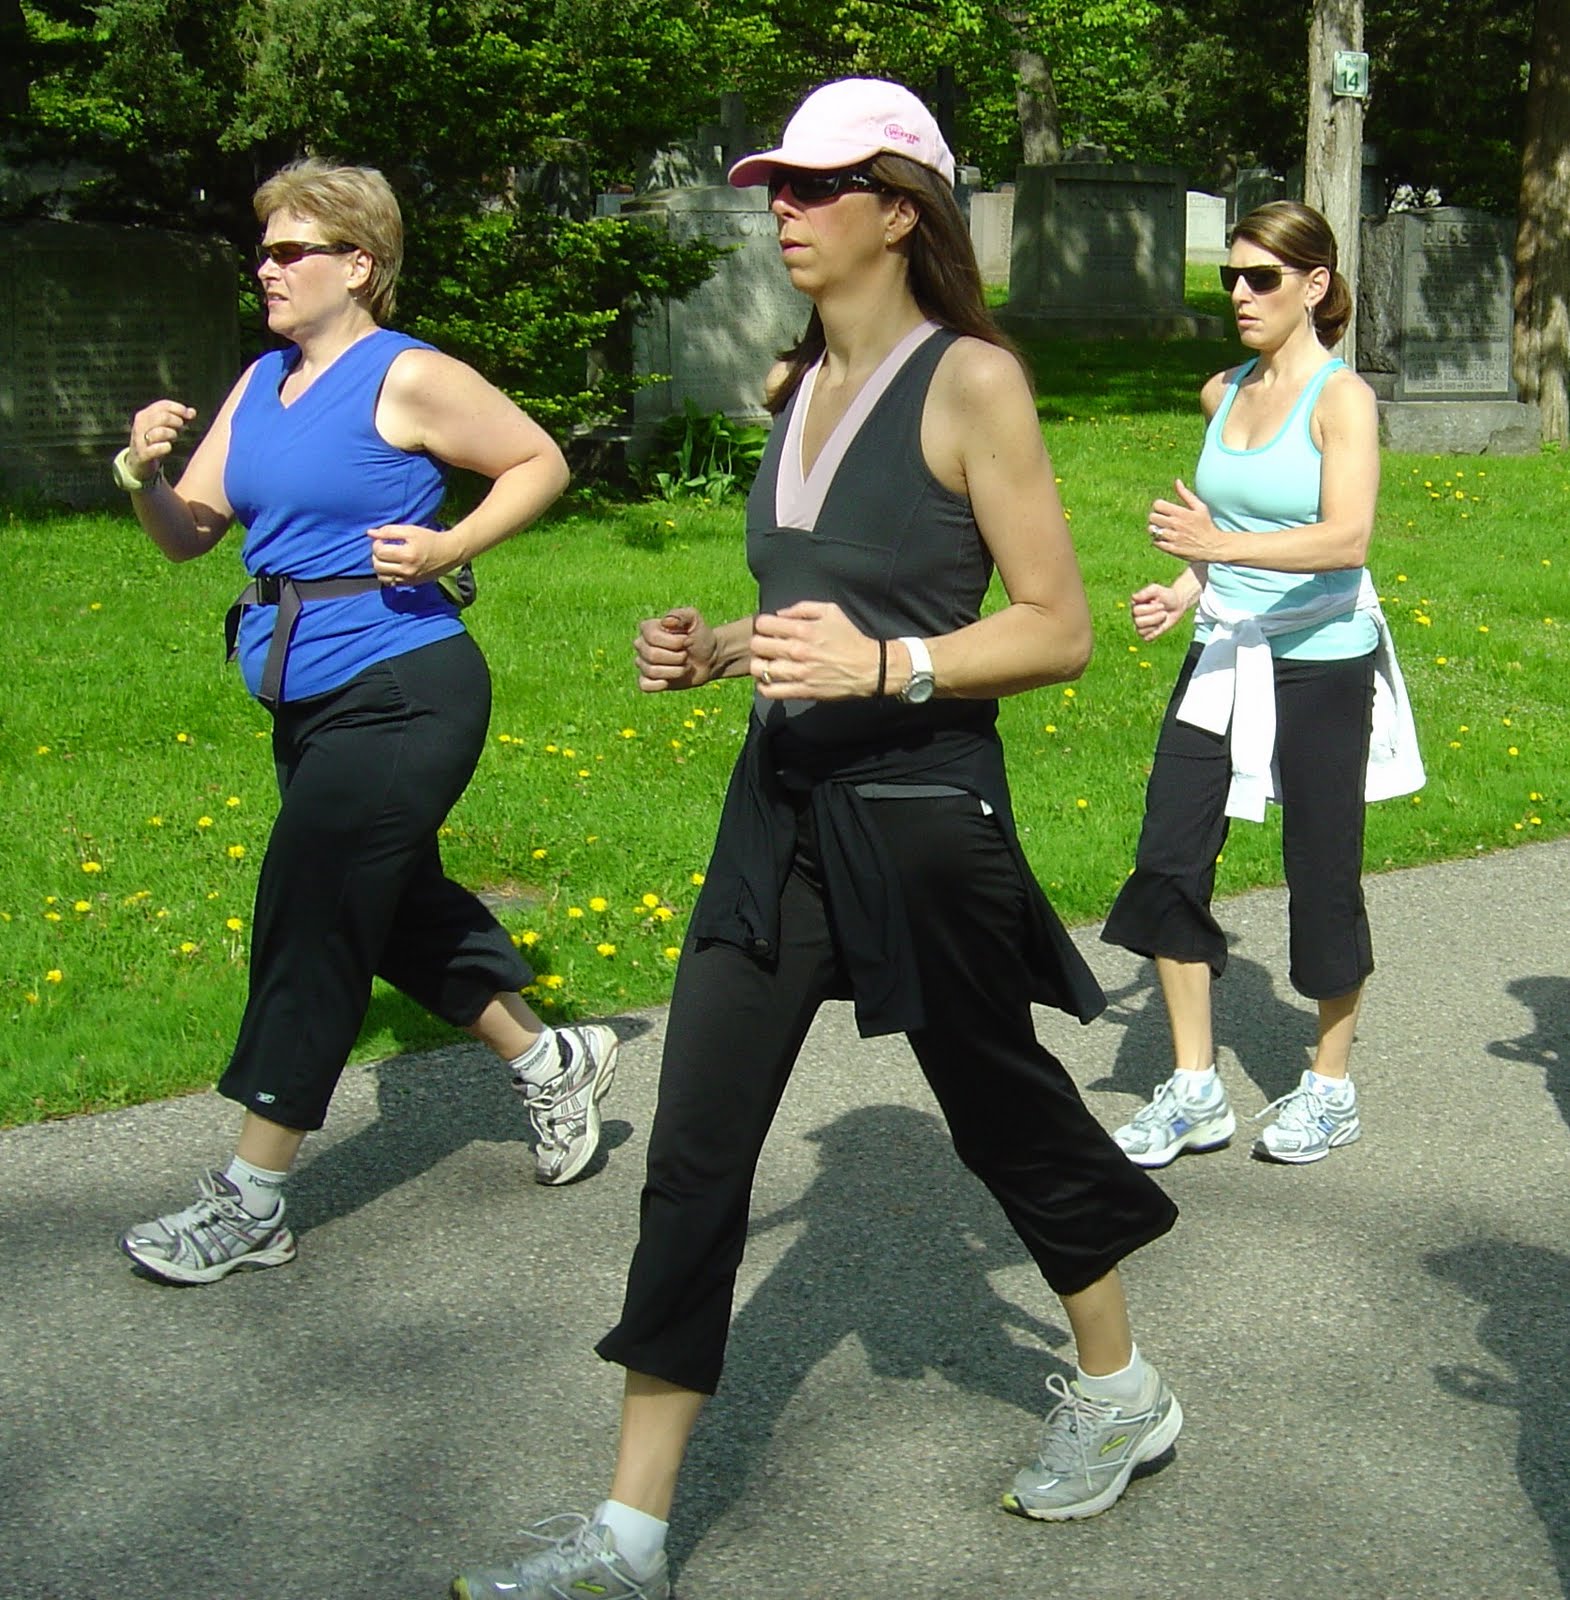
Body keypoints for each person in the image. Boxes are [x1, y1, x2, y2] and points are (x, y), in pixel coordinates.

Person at [452, 78, 1181, 1600]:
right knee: (694, 1154)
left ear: (898, 210)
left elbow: (1056, 629)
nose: (781, 207)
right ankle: (630, 1533)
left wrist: (889, 667)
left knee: (1000, 1111)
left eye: (814, 184)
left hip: (918, 817)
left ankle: (1119, 1389)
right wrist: (722, 648)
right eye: (774, 183)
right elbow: (821, 608)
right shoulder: (793, 386)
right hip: (775, 812)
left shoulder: (970, 382)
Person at [114, 159, 620, 1286]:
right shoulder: (262, 381)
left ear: (359, 263)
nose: (267, 268)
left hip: (406, 682)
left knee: (309, 914)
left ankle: (251, 1198)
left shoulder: (407, 374)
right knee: (381, 908)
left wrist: (449, 545)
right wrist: (141, 473)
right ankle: (551, 1059)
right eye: (263, 251)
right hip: (305, 694)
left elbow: (537, 459)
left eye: (290, 251)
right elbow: (190, 532)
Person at [1100, 200, 1422, 1170]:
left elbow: (1345, 538)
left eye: (1261, 278)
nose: (1240, 293)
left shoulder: (1341, 399)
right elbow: (1226, 537)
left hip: (1322, 658)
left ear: (1314, 286)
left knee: (1321, 872)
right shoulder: (1222, 392)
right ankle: (1195, 1086)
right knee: (1168, 856)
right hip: (1224, 651)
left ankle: (1330, 1085)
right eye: (1230, 277)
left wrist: (1217, 547)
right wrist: (1183, 587)